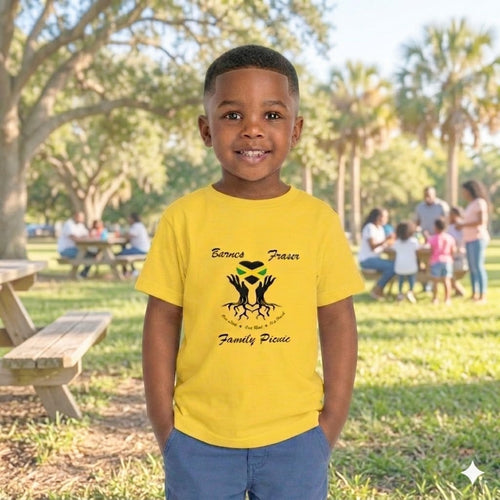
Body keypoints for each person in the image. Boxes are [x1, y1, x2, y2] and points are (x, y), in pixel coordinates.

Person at [135, 45, 364, 500]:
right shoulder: (183, 218)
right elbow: (162, 320)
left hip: (297, 438)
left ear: (296, 130)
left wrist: (330, 421)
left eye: (272, 115)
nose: (253, 129)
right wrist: (166, 425)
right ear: (206, 129)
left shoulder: (317, 220)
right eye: (232, 115)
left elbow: (338, 320)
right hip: (197, 439)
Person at [455, 180, 491, 303]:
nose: (463, 194)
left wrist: (463, 224)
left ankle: (482, 295)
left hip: (478, 238)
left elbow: (481, 221)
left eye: (464, 191)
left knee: (478, 266)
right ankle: (474, 293)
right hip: (469, 239)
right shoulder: (470, 204)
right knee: (472, 267)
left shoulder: (480, 203)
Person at [358, 207, 395, 300]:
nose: (386, 219)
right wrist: (386, 240)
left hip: (375, 259)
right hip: (367, 260)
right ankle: (377, 289)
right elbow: (373, 246)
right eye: (384, 217)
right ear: (378, 217)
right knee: (392, 267)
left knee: (393, 265)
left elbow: (382, 245)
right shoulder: (369, 227)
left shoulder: (381, 229)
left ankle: (378, 288)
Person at [427, 217, 457, 305]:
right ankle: (447, 299)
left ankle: (435, 298)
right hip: (447, 261)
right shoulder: (450, 238)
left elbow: (429, 249)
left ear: (435, 227)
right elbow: (453, 250)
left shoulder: (432, 238)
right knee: (447, 280)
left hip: (436, 261)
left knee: (435, 281)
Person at [57, 211, 94, 278]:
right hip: (66, 250)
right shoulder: (69, 224)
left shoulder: (80, 225)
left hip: (76, 249)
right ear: (75, 217)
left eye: (83, 218)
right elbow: (74, 238)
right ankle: (81, 274)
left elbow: (87, 235)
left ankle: (83, 273)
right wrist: (82, 238)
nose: (82, 219)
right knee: (87, 254)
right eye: (80, 218)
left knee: (92, 254)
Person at [392, 221, 419, 303]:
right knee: (411, 278)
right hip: (411, 267)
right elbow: (418, 250)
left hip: (400, 267)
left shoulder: (396, 243)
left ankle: (400, 293)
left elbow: (392, 249)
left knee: (400, 279)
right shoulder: (414, 242)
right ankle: (410, 291)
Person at [447, 207, 467, 297]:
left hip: (460, 255)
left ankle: (460, 290)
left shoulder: (461, 225)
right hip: (452, 254)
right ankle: (458, 291)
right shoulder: (450, 227)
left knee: (449, 275)